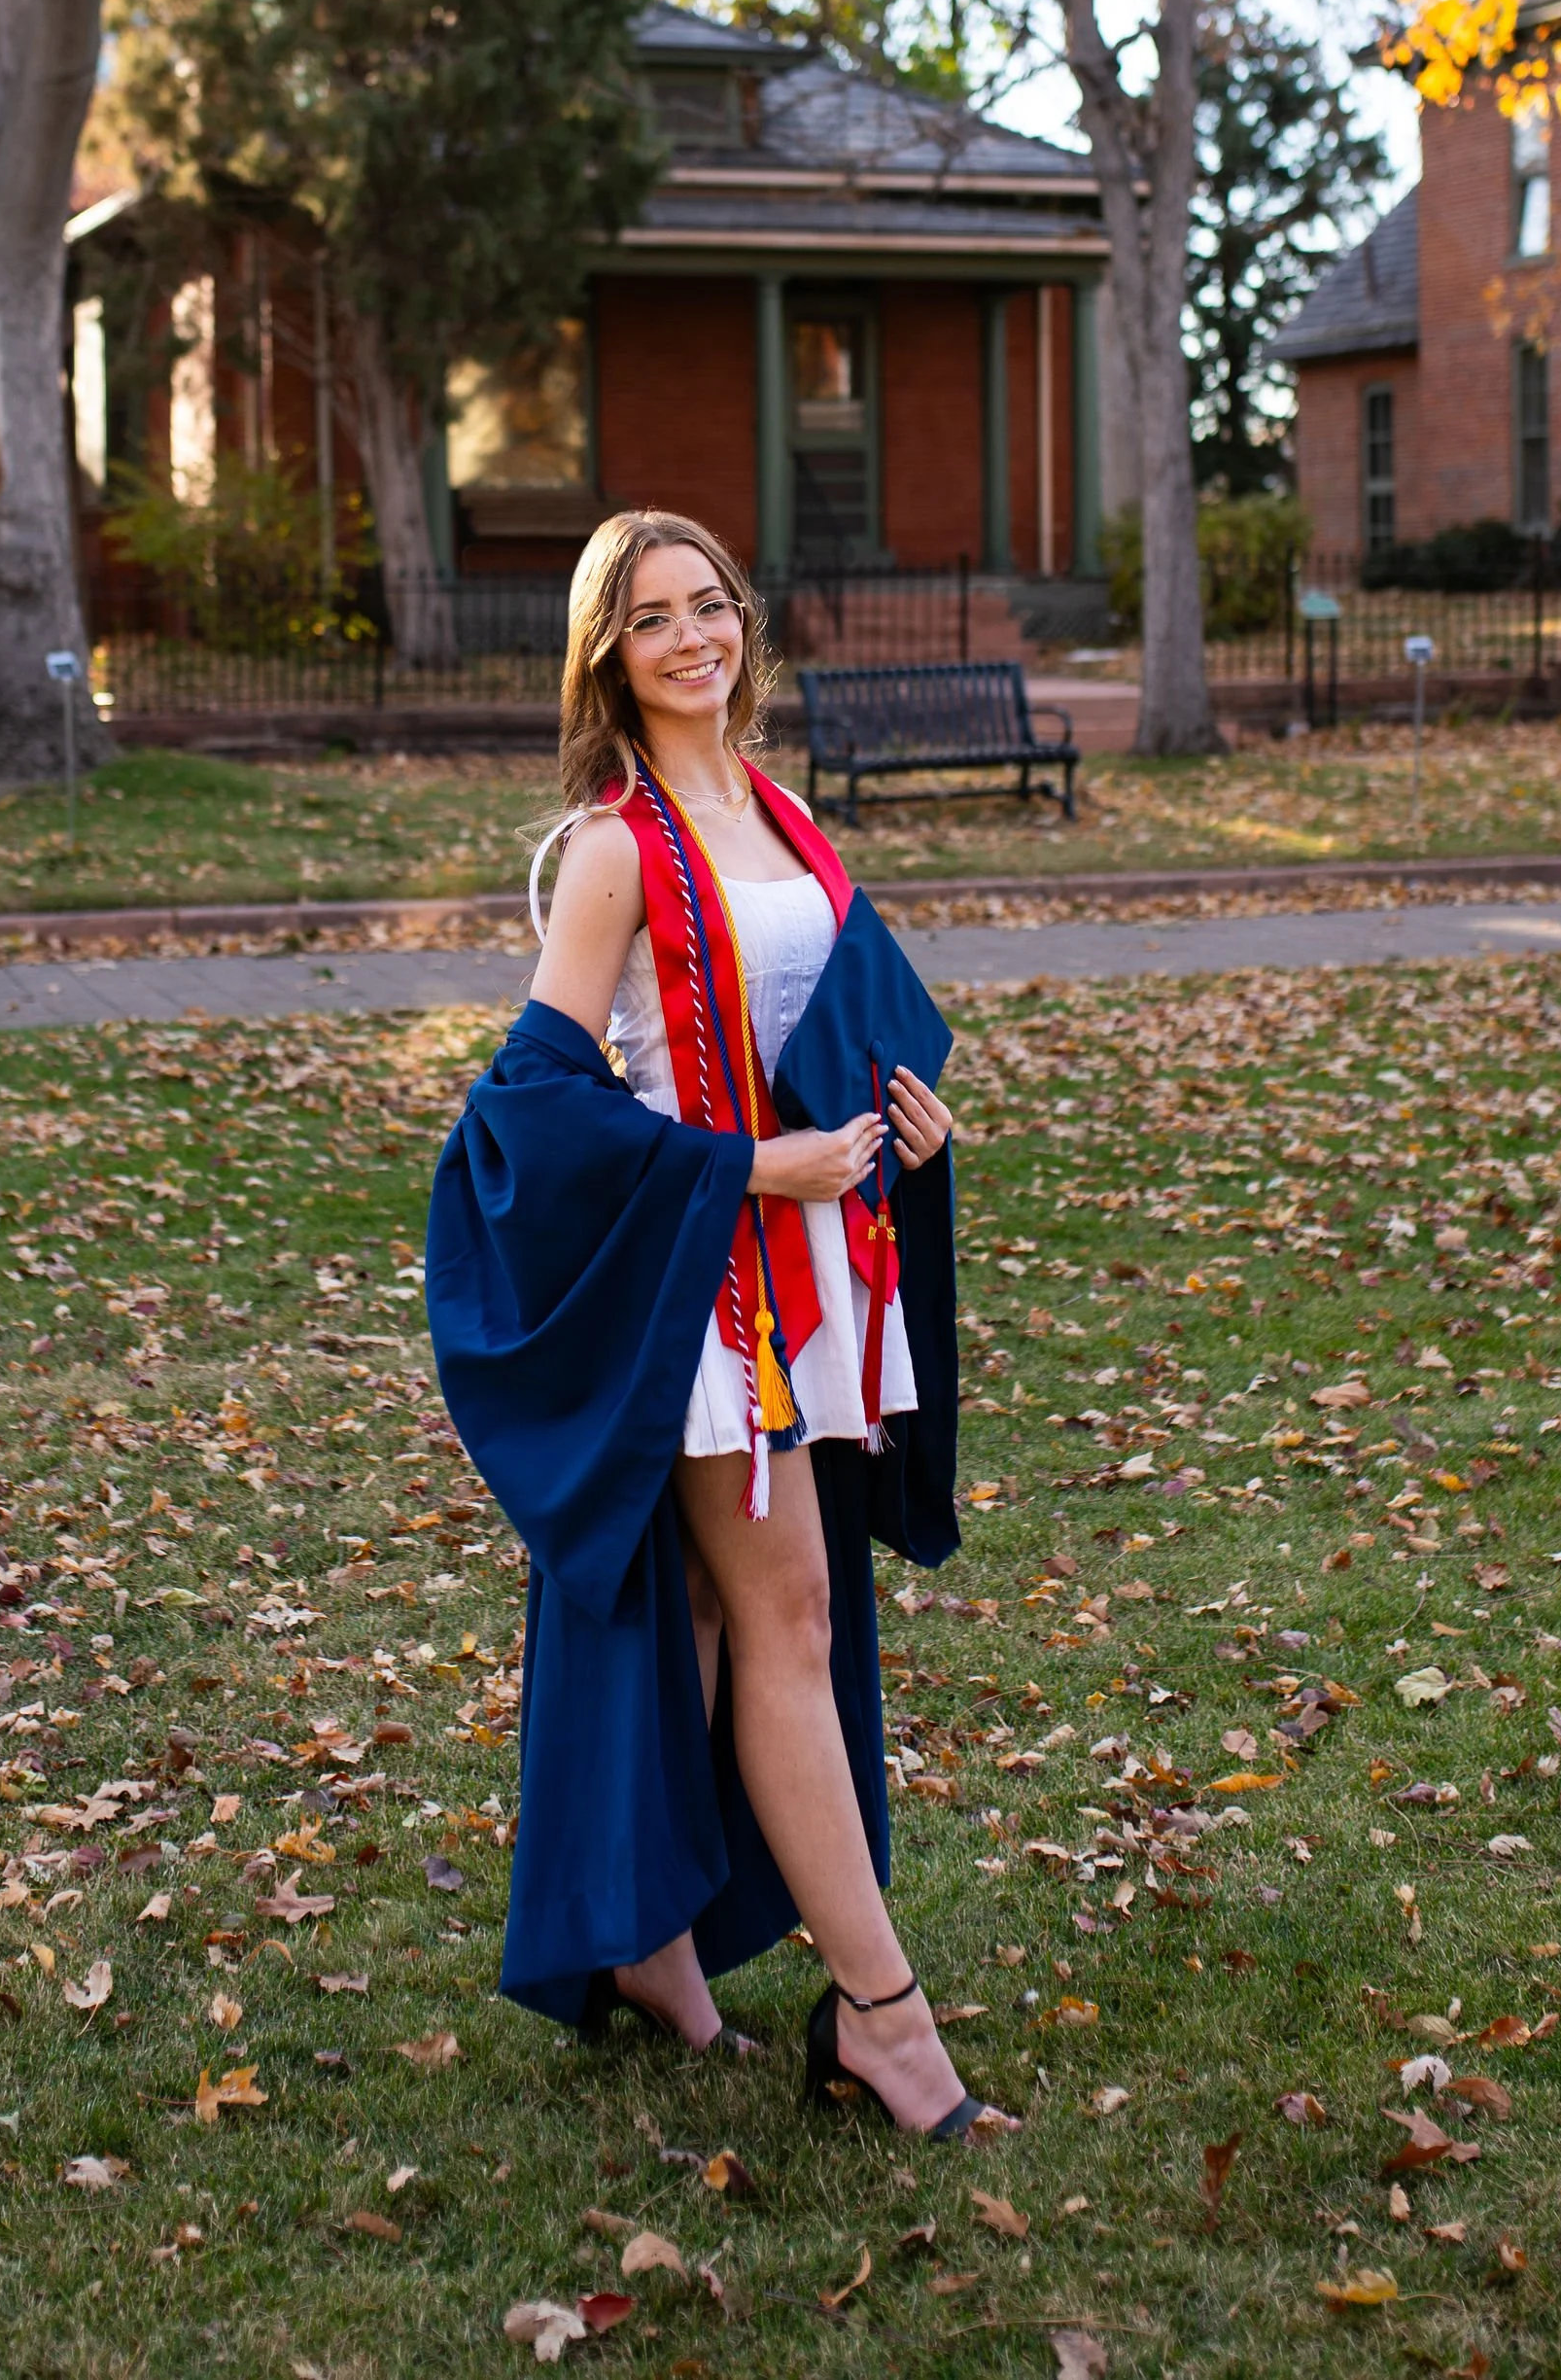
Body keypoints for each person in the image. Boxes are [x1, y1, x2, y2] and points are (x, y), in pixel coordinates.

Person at [426, 509, 1016, 2143]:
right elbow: (534, 1101)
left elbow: (814, 1023)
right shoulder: (614, 850)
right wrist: (750, 1166)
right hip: (709, 1297)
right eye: (652, 618)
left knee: (697, 1617)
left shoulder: (779, 812)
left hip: (820, 1273)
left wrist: (902, 1121)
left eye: (710, 605)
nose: (692, 637)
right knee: (791, 1615)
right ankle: (886, 2021)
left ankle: (649, 1944)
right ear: (607, 656)